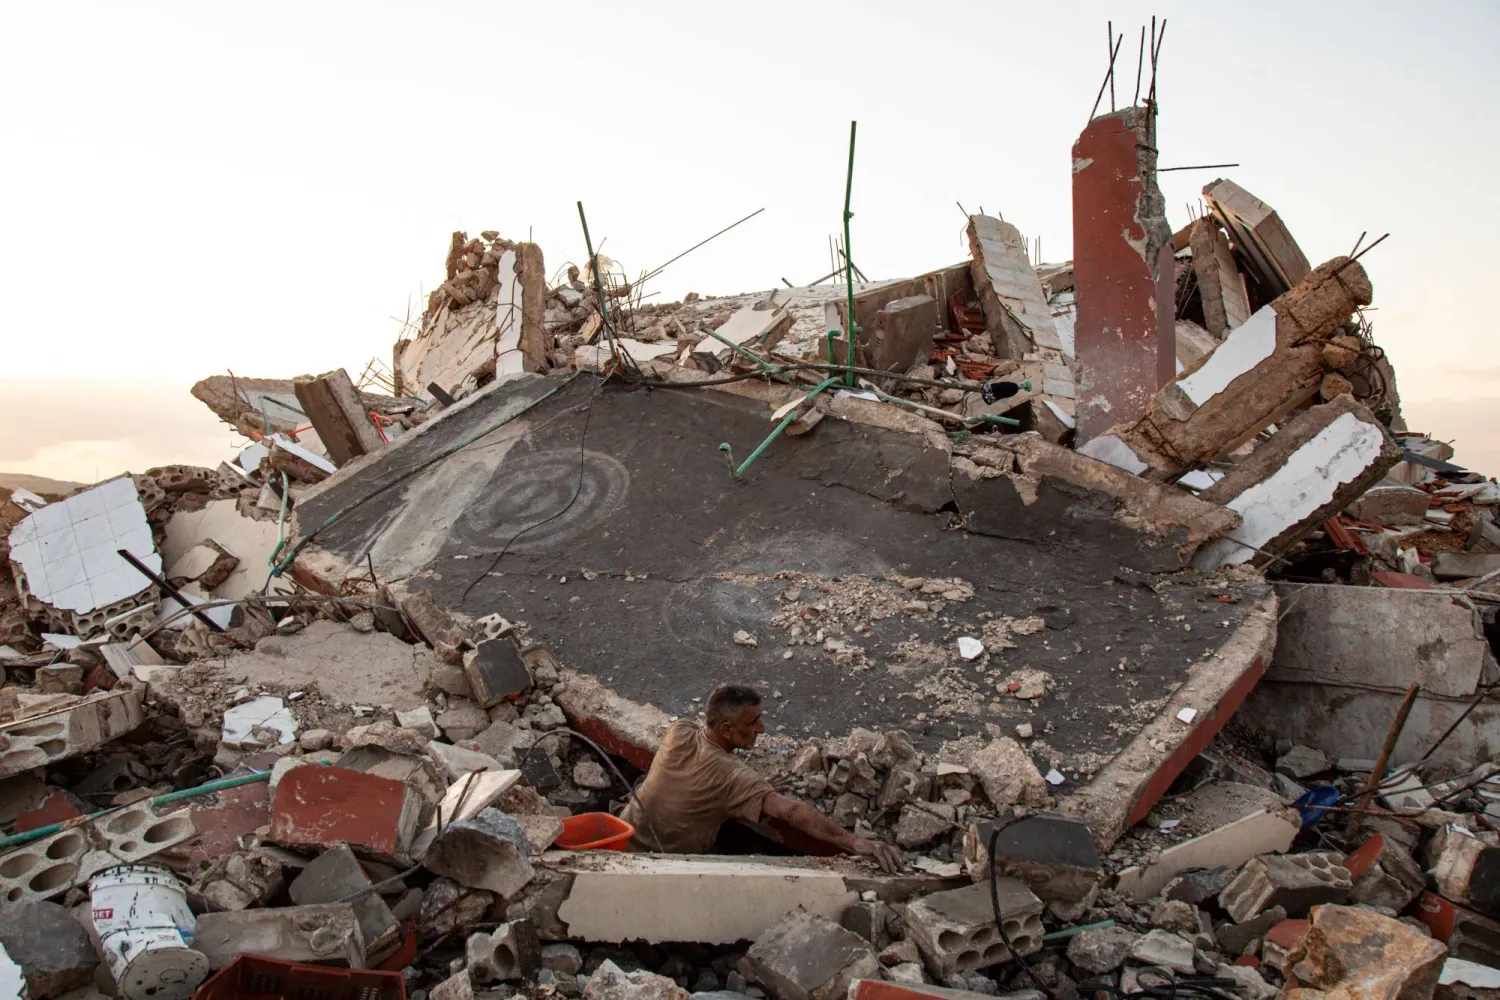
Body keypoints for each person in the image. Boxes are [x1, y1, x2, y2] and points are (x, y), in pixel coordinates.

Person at [619, 683, 902, 872]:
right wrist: (853, 842)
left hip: (618, 838)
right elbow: (790, 811)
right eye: (753, 723)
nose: (762, 729)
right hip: (654, 868)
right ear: (727, 730)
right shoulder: (733, 776)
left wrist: (755, 790)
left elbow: (699, 782)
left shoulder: (679, 731)